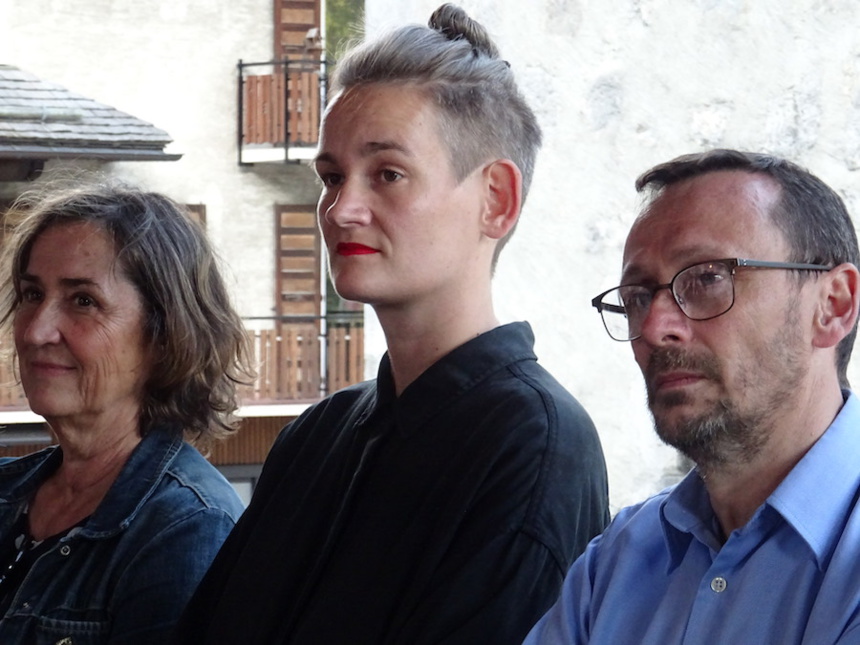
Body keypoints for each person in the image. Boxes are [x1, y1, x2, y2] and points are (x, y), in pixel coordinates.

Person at [172, 4, 608, 644]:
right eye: (330, 177)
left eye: (388, 174)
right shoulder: (317, 435)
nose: (340, 209)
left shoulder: (535, 445)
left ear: (496, 200)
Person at [524, 148, 860, 644]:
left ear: (832, 306)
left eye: (707, 278)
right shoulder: (617, 560)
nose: (656, 329)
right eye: (637, 297)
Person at [0, 180, 251, 644]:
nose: (36, 331)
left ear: (165, 336)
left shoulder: (185, 528)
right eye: (32, 294)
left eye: (83, 301)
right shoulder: (8, 490)